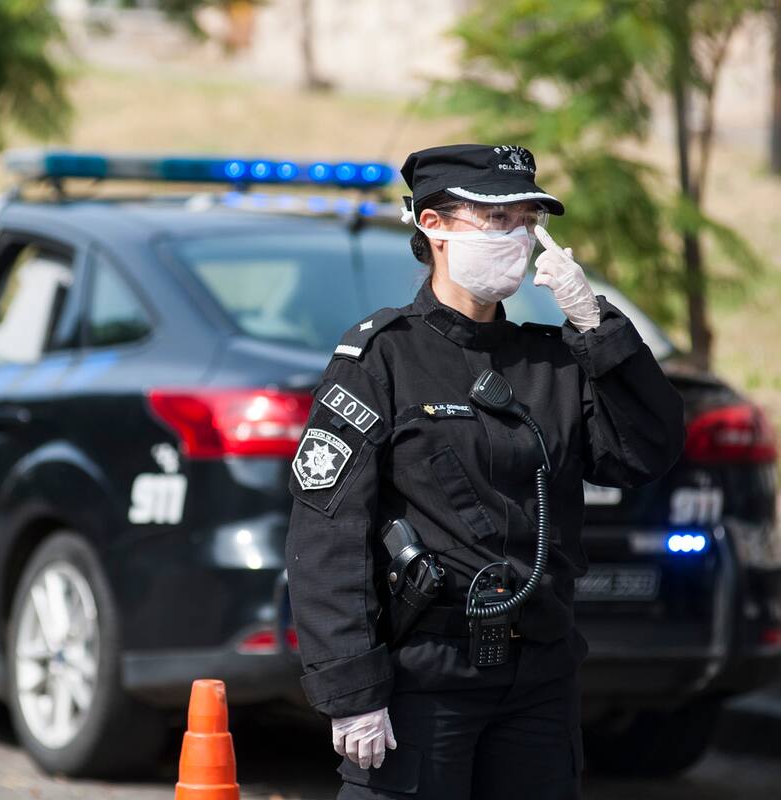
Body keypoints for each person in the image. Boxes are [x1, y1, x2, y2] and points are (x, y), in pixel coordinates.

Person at [284, 143, 686, 799]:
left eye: (527, 221)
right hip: (424, 677)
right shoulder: (381, 358)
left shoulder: (552, 361)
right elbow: (329, 531)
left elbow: (645, 452)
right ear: (433, 225)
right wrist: (350, 686)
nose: (516, 238)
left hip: (539, 677)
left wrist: (597, 327)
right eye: (496, 220)